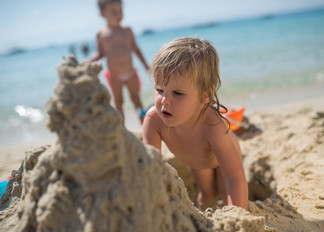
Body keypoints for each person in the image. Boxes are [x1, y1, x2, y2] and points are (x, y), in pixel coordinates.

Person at [142, 37, 248, 211]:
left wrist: (238, 218)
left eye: (177, 93)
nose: (164, 101)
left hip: (222, 159)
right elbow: (150, 171)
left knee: (226, 194)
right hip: (196, 161)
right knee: (207, 196)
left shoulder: (211, 124)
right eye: (160, 90)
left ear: (205, 94)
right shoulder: (153, 121)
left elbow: (235, 176)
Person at [89, 0, 150, 124]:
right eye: (113, 12)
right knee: (118, 103)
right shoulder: (101, 34)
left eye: (120, 11)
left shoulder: (127, 30)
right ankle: (122, 132)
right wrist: (88, 62)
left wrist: (146, 66)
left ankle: (145, 127)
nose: (118, 15)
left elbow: (136, 49)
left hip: (130, 73)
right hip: (114, 76)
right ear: (102, 14)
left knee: (136, 100)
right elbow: (100, 54)